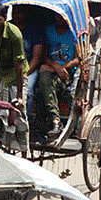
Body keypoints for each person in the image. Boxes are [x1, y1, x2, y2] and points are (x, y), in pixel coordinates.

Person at [35, 11, 79, 141]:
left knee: (47, 83)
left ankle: (47, 122)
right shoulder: (49, 30)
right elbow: (43, 55)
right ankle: (55, 120)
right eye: (57, 15)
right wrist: (55, 66)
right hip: (50, 67)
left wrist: (62, 68)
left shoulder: (74, 34)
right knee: (44, 79)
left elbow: (78, 59)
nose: (60, 18)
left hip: (66, 73)